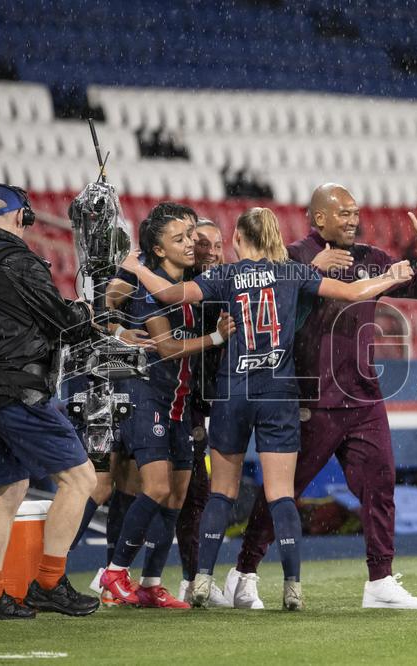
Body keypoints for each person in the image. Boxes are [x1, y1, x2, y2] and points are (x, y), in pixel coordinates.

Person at [121, 206, 416, 610]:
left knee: (221, 493)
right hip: (278, 392)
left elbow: (170, 294)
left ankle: (202, 580)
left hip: (233, 392)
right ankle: (292, 586)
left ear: (240, 239)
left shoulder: (226, 275)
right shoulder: (293, 273)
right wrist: (389, 277)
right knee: (281, 495)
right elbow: (352, 293)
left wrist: (136, 269)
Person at [230, 184, 417, 610]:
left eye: (355, 212)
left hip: (363, 398)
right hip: (310, 397)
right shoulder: (291, 257)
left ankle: (380, 581)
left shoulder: (371, 259)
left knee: (381, 486)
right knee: (282, 492)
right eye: (343, 213)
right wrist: (310, 268)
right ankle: (245, 572)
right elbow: (271, 314)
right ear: (319, 218)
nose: (352, 219)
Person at [0, 183, 99, 620]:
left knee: (8, 492)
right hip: (19, 394)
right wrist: (86, 315)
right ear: (22, 217)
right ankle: (49, 584)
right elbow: (63, 324)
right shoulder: (19, 262)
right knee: (81, 480)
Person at [98, 213, 235, 608]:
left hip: (179, 404)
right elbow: (166, 348)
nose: (191, 243)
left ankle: (151, 582)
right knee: (153, 488)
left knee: (175, 496)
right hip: (147, 400)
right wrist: (215, 337)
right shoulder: (149, 289)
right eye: (180, 239)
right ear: (158, 250)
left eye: (191, 235)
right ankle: (114, 571)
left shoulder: (186, 287)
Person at [176, 218, 233, 606]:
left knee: (197, 493)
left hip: (218, 399)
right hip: (187, 401)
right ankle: (193, 576)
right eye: (203, 244)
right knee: (192, 492)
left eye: (218, 244)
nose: (212, 251)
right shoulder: (185, 292)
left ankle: (190, 575)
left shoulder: (227, 284)